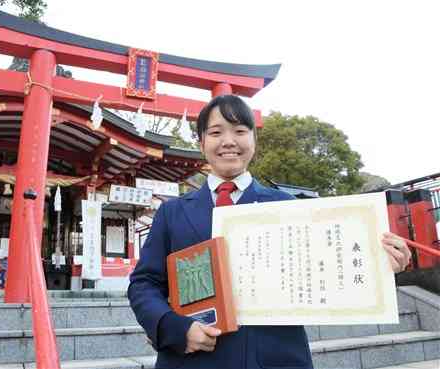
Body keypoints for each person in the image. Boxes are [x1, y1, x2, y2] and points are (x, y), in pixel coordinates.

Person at [128, 94, 411, 369]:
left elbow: (327, 266)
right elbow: (144, 284)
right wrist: (173, 328)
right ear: (202, 142)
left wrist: (381, 264)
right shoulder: (172, 212)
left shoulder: (287, 207)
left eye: (240, 130)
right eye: (216, 132)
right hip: (192, 359)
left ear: (254, 140)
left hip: (276, 357)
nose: (228, 141)